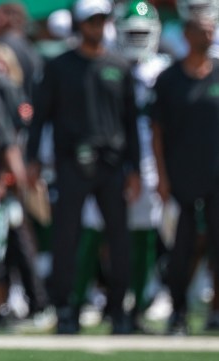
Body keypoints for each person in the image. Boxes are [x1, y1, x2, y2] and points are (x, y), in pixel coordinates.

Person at [26, 0, 141, 335]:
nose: (97, 25)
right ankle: (65, 308)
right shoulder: (60, 66)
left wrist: (133, 169)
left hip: (112, 163)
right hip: (71, 161)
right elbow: (40, 116)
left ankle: (119, 309)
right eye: (91, 20)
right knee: (66, 238)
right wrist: (32, 159)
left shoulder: (118, 65)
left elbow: (131, 122)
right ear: (79, 23)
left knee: (119, 238)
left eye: (102, 19)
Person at [72, 0, 168, 333]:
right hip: (110, 159)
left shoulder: (162, 70)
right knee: (94, 229)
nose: (138, 39)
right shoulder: (103, 61)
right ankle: (80, 301)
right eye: (132, 33)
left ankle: (137, 304)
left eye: (143, 32)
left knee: (144, 231)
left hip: (148, 159)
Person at [153, 13, 219, 335]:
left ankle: (215, 311)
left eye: (211, 30)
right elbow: (157, 132)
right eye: (201, 30)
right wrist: (162, 177)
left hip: (216, 175)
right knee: (182, 248)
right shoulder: (169, 79)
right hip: (182, 177)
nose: (207, 36)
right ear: (187, 34)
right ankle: (177, 310)